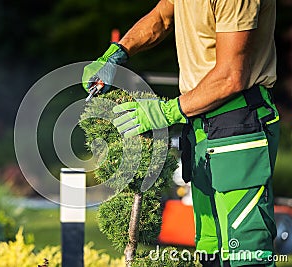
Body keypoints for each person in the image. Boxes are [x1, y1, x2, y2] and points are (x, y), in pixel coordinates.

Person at [82, 0, 279, 266]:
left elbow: (232, 76)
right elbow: (163, 17)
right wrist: (117, 52)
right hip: (198, 123)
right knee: (210, 247)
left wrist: (163, 112)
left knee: (244, 250)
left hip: (238, 122)